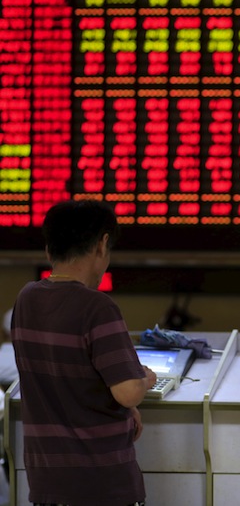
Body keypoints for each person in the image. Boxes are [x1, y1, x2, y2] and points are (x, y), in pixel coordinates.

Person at [10, 200, 157, 506]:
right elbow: (129, 393)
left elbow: (66, 377)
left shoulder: (26, 298)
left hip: (46, 481)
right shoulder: (98, 307)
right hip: (100, 484)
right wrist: (145, 378)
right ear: (102, 245)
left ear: (50, 249)